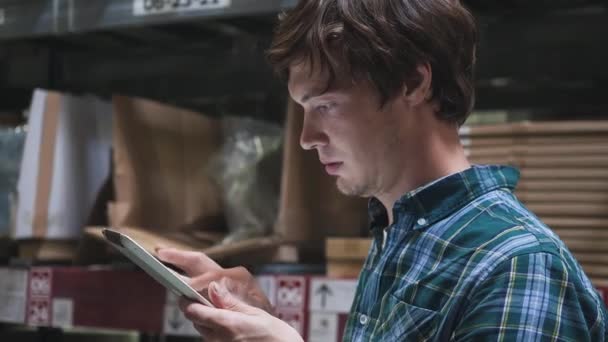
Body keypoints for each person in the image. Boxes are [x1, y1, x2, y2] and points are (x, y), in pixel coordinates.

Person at [156, 0, 608, 340]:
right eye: (303, 110)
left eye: (327, 105)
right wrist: (266, 322)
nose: (306, 137)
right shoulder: (404, 233)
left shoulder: (516, 267)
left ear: (413, 82)